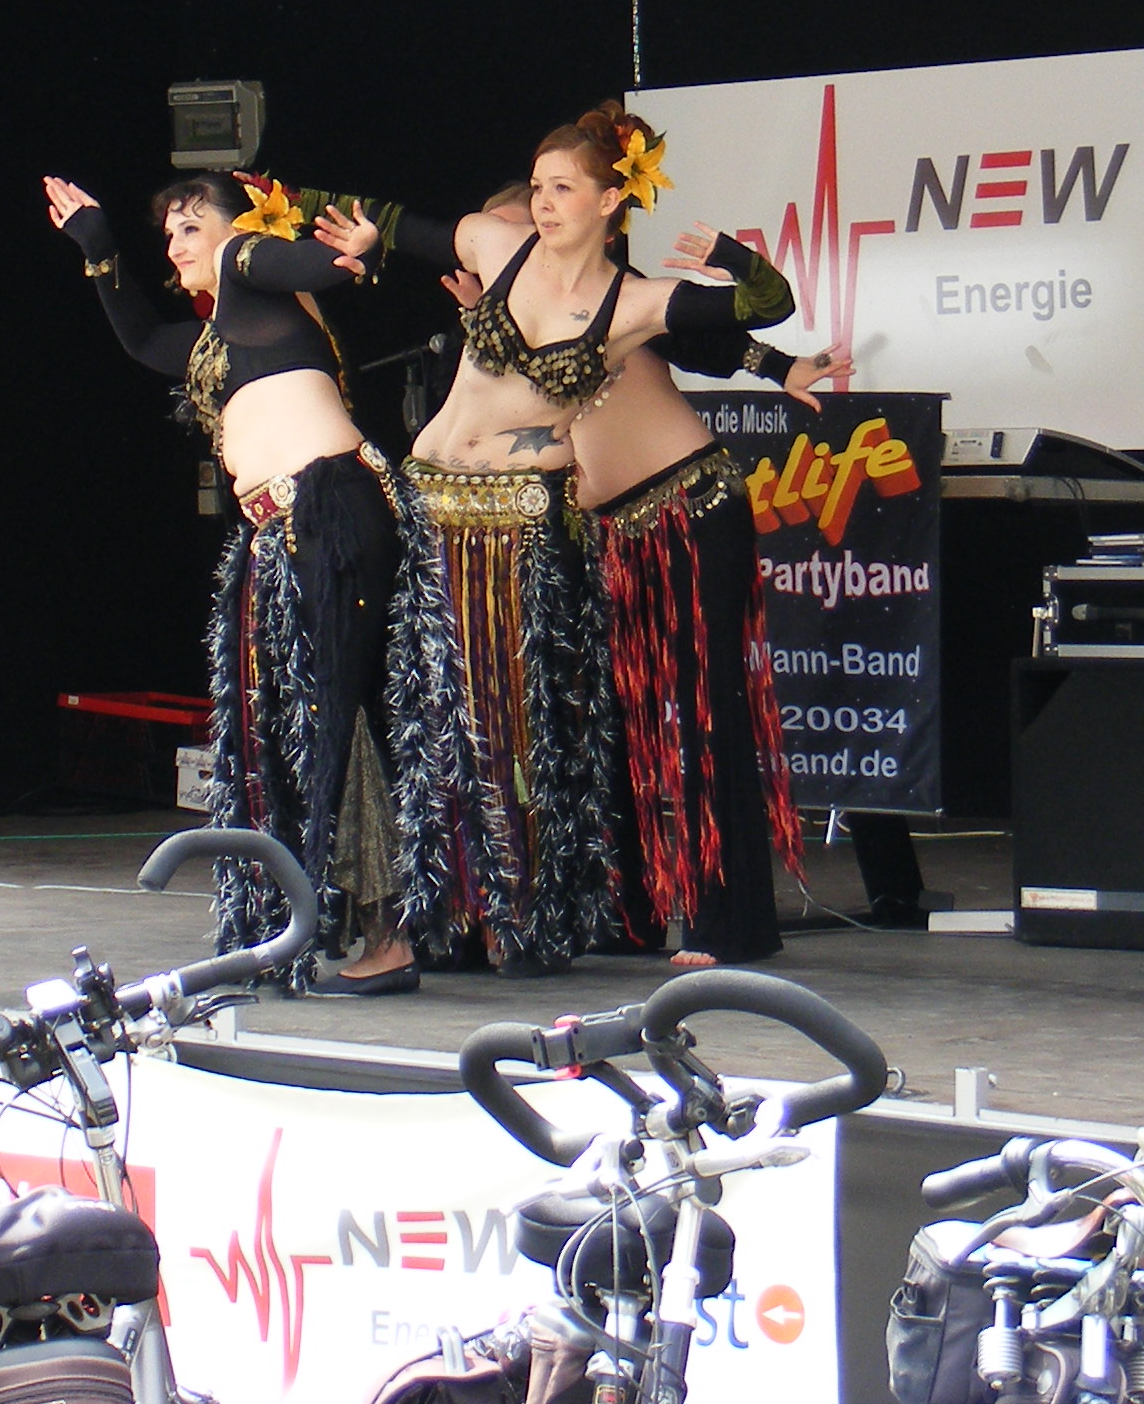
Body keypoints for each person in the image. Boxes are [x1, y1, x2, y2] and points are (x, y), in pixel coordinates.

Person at [315, 102, 797, 976]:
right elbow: (387, 220)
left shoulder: (630, 302)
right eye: (535, 188)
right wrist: (300, 219)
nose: (540, 206)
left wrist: (741, 274)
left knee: (670, 717)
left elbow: (748, 319)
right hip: (500, 515)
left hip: (655, 511)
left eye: (561, 189)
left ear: (610, 201)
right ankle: (535, 915)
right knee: (527, 721)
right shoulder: (503, 260)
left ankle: (712, 921)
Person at [397, 187, 838, 969]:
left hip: (688, 510)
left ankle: (728, 923)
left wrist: (781, 366)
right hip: (607, 533)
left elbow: (708, 340)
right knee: (604, 723)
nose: (520, 241)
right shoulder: (507, 316)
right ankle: (621, 914)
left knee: (704, 715)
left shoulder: (611, 299)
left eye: (529, 221)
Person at [44, 170, 417, 992]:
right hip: (287, 533)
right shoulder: (223, 336)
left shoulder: (248, 264)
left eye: (191, 227)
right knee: (307, 719)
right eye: (168, 235)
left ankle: (385, 934)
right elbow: (144, 341)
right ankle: (341, 923)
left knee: (334, 713)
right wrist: (99, 248)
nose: (178, 246)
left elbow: (298, 263)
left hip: (327, 513)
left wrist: (350, 255)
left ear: (235, 227)